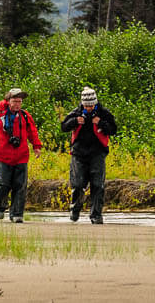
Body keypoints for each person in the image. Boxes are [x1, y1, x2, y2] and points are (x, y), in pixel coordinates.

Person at [0, 87, 43, 223]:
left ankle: (17, 214)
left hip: (21, 156)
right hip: (3, 156)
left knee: (20, 186)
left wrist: (36, 146)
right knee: (3, 185)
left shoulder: (25, 116)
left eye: (19, 101)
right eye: (15, 101)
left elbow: (32, 132)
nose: (17, 104)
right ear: (8, 101)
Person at [61, 86, 117, 224]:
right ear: (83, 104)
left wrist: (101, 123)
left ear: (95, 103)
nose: (89, 108)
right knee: (77, 184)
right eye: (86, 106)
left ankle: (96, 215)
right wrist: (75, 121)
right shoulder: (76, 112)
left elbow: (113, 129)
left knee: (98, 185)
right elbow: (64, 127)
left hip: (98, 153)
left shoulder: (104, 113)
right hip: (78, 153)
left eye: (91, 105)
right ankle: (75, 209)